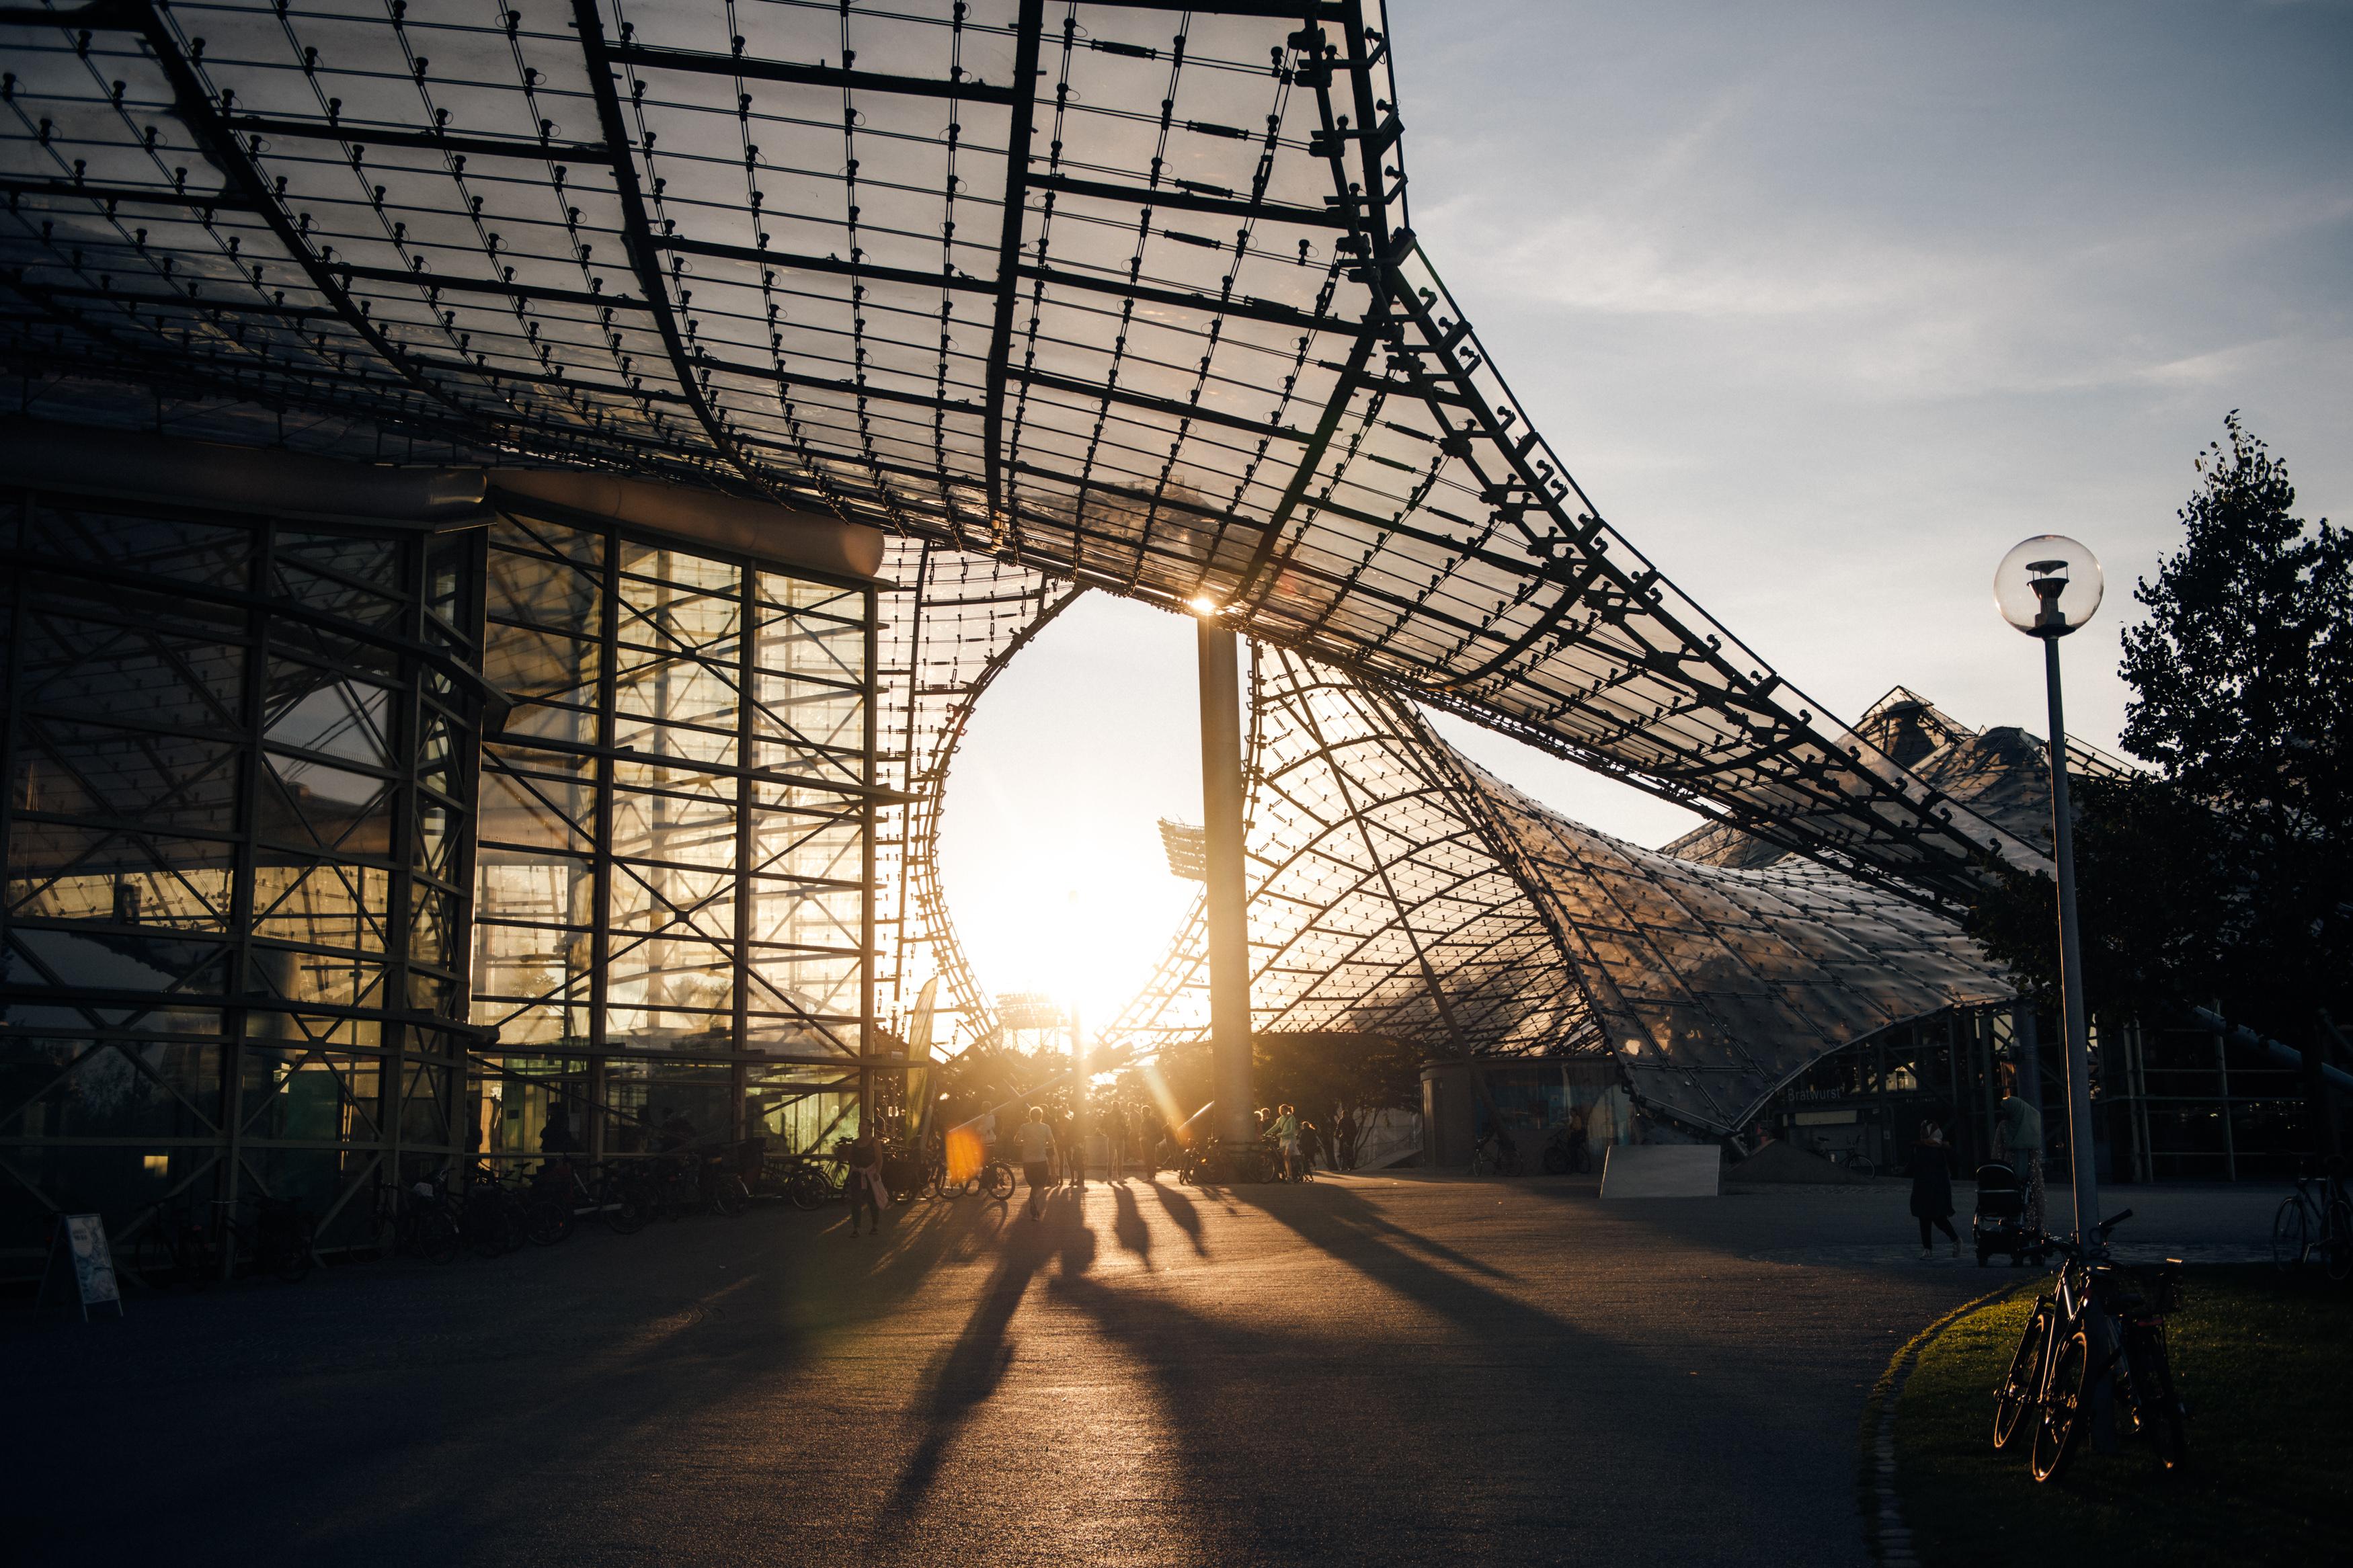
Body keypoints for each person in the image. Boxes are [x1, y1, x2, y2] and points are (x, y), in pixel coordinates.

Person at [1993, 1067, 2046, 1231]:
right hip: (2023, 1165)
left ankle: (2029, 1224)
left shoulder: (2006, 1126)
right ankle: (2026, 1224)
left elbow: (1997, 1150)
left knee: (2026, 1196)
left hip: (2014, 1165)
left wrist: (1997, 1167)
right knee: (2024, 1196)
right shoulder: (2016, 1126)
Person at [1909, 1121, 1960, 1258]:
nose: (1922, 1134)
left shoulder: (1942, 1148)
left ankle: (1954, 1239)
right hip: (1923, 1186)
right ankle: (1928, 1248)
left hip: (1937, 1187)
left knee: (1938, 1218)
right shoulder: (1921, 1147)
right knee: (1924, 1218)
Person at [1014, 1106, 1055, 1221]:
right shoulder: (1046, 1127)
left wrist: (1026, 1143)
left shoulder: (1024, 1127)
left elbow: (1016, 1141)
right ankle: (1034, 1199)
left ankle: (1035, 1213)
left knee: (1033, 1185)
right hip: (1041, 1160)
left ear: (1030, 1116)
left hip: (1027, 1161)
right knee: (1041, 1185)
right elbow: (1052, 1143)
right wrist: (1042, 1145)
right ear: (1041, 1116)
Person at [845, 1129, 884, 1237]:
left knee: (872, 1201)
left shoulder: (875, 1142)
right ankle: (856, 1228)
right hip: (857, 1175)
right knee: (856, 1202)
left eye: (863, 1125)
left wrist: (877, 1172)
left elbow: (879, 1159)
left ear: (868, 1129)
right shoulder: (855, 1143)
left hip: (870, 1175)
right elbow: (851, 1159)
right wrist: (851, 1172)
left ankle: (875, 1226)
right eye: (859, 1125)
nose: (860, 1127)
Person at [1269, 1104, 1302, 1182]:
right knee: (1285, 1159)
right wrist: (1266, 1134)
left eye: (1283, 1110)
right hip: (1283, 1140)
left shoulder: (1291, 1118)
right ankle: (1288, 1175)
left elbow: (1291, 1131)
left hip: (1290, 1139)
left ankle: (1290, 1177)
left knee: (1287, 1157)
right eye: (1280, 1110)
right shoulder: (1281, 1119)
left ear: (1287, 1110)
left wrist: (1281, 1134)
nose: (1281, 1112)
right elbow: (1275, 1127)